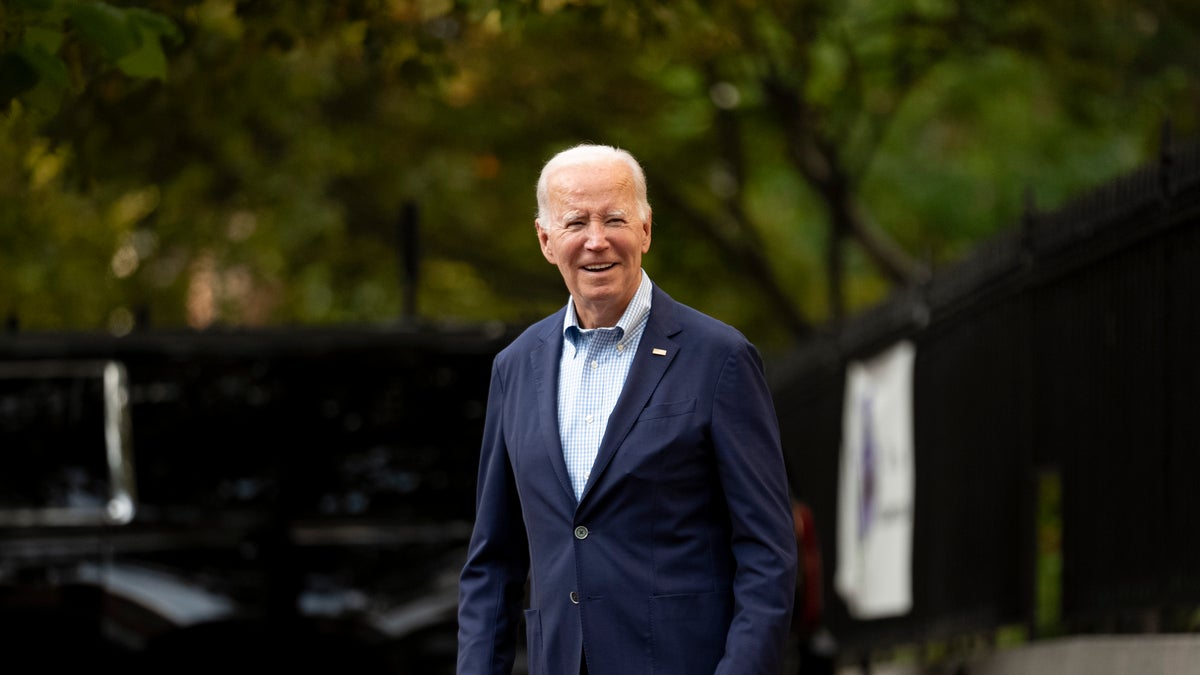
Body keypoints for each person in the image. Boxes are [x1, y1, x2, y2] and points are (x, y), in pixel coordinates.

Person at [456, 144, 797, 675]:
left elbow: (767, 553)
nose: (597, 240)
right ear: (547, 241)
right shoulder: (515, 367)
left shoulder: (720, 358)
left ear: (645, 229)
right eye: (575, 223)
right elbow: (493, 562)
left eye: (614, 218)